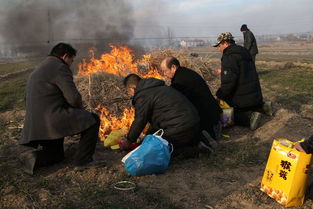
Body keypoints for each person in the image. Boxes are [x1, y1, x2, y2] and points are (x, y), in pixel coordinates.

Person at [20, 43, 105, 175]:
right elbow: (73, 98)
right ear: (65, 56)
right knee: (92, 119)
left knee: (56, 156)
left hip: (35, 123)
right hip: (50, 120)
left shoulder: (40, 68)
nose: (71, 64)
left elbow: (27, 99)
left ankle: (33, 158)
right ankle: (83, 161)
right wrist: (81, 112)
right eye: (71, 60)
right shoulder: (60, 67)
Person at [119, 74, 202, 158]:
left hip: (181, 126)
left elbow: (140, 120)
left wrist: (129, 140)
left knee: (155, 150)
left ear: (132, 88)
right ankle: (197, 141)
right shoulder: (159, 88)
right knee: (156, 140)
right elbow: (157, 121)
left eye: (129, 92)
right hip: (193, 122)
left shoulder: (143, 95)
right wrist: (146, 137)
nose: (131, 95)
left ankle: (196, 151)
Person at [213, 32, 271, 130]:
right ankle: (263, 107)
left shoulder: (229, 56)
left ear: (225, 43)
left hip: (242, 97)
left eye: (219, 46)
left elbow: (229, 81)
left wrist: (220, 95)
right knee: (250, 105)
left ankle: (249, 119)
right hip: (254, 94)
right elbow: (240, 70)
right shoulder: (243, 51)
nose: (219, 49)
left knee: (228, 113)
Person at [160, 56, 222, 141]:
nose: (164, 74)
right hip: (211, 113)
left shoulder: (180, 80)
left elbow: (176, 104)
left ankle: (208, 140)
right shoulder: (184, 73)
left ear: (173, 67)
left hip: (208, 118)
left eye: (165, 71)